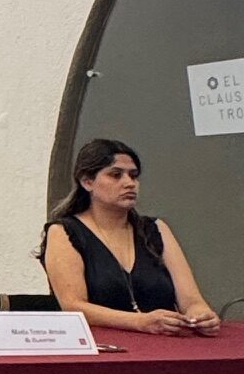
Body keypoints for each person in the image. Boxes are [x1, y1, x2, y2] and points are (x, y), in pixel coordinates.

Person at [41, 137, 220, 336]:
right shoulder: (64, 232)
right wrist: (140, 322)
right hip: (102, 346)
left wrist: (201, 315)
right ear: (87, 182)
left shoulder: (156, 229)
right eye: (116, 175)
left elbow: (192, 300)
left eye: (133, 176)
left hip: (166, 345)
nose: (129, 183)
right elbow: (73, 306)